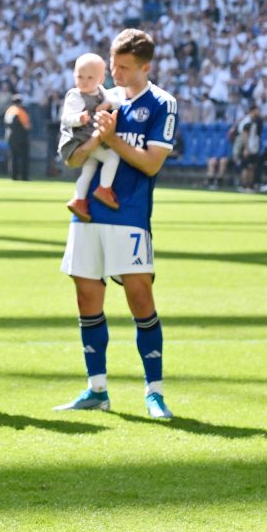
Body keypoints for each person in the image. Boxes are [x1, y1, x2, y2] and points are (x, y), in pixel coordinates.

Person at [55, 29, 179, 420]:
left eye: (124, 67)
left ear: (146, 67)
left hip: (129, 215)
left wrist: (113, 139)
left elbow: (151, 163)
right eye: (113, 64)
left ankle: (154, 392)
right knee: (86, 298)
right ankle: (96, 389)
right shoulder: (95, 99)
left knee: (140, 299)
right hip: (88, 212)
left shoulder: (161, 103)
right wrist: (94, 141)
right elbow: (74, 161)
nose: (116, 72)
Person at [59, 54, 123, 221]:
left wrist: (108, 104)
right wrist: (78, 118)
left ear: (101, 79)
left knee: (89, 168)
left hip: (90, 140)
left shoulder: (101, 92)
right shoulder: (75, 96)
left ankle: (79, 199)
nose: (84, 81)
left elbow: (117, 102)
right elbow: (66, 118)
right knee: (112, 158)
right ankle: (104, 188)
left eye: (90, 77)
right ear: (74, 76)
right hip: (77, 141)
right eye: (80, 77)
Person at [3, 93, 32, 181]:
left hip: (10, 137)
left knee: (13, 158)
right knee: (24, 158)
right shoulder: (20, 111)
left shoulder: (8, 111)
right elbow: (27, 126)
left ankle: (13, 176)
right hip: (21, 138)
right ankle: (24, 177)